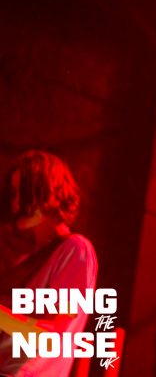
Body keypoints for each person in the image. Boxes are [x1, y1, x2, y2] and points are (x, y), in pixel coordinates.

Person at [0, 150, 98, 377]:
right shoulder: (27, 256)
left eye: (24, 192)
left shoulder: (76, 251)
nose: (16, 204)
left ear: (47, 193)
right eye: (13, 194)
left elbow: (54, 337)